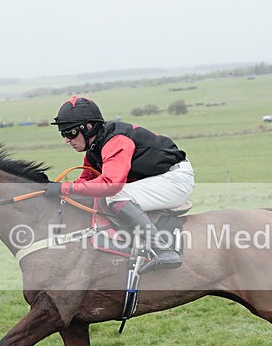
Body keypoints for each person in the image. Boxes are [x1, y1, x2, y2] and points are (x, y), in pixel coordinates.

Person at [47, 96, 194, 273]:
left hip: (174, 179)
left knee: (115, 195)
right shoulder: (95, 148)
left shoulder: (116, 142)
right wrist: (53, 189)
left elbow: (111, 185)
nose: (67, 139)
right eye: (63, 134)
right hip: (158, 178)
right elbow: (85, 181)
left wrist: (64, 188)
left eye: (70, 133)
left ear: (89, 127)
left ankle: (163, 249)